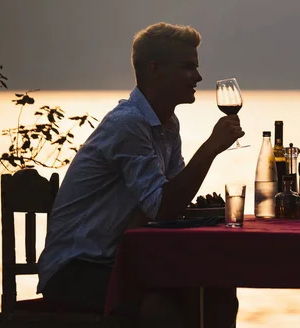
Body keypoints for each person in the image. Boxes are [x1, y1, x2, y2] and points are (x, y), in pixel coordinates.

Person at [37, 22, 243, 328]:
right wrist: (211, 148)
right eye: (188, 68)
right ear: (156, 69)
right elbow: (163, 207)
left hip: (121, 261)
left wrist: (197, 209)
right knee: (162, 309)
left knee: (217, 288)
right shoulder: (129, 124)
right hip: (76, 269)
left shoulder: (168, 124)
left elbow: (169, 203)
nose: (198, 77)